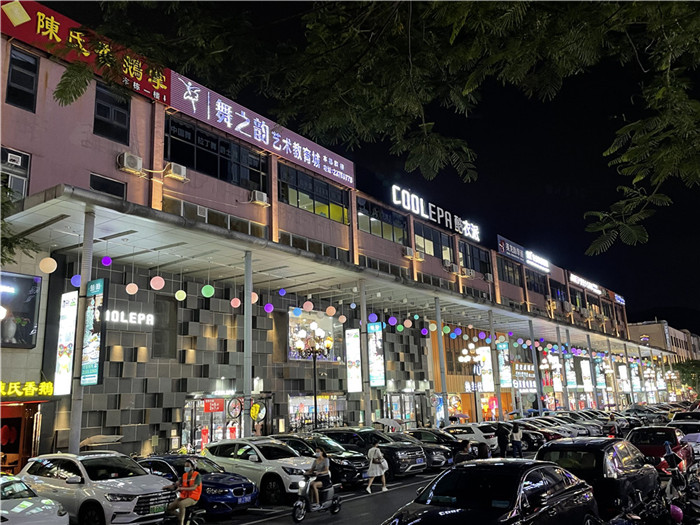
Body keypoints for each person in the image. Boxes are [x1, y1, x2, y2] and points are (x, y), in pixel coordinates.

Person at [164, 458, 202, 525]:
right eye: (185, 466)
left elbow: (193, 487)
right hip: (184, 497)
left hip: (193, 497)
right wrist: (167, 487)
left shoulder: (197, 475)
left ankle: (181, 522)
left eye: (188, 466)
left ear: (193, 467)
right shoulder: (184, 475)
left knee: (181, 504)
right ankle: (181, 516)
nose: (186, 468)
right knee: (169, 509)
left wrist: (181, 488)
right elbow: (177, 484)